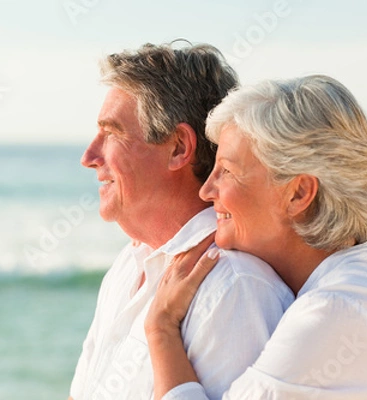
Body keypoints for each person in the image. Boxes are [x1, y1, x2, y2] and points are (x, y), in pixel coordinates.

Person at [146, 74, 367, 399]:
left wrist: (162, 328)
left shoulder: (333, 312)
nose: (206, 189)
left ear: (298, 193)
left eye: (226, 171)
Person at [68, 41, 295, 400]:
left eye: (111, 133)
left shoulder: (236, 289)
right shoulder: (128, 266)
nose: (89, 156)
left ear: (178, 148)